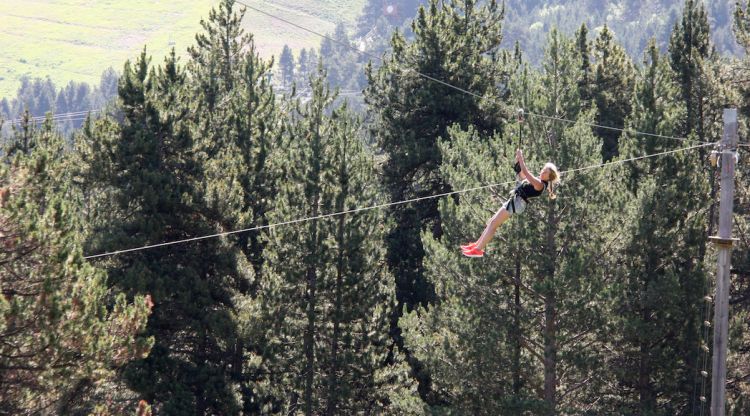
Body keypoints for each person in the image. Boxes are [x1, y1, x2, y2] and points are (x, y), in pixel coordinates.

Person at [461, 149, 560, 258]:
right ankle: (476, 245)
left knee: (493, 225)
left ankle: (478, 250)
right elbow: (523, 176)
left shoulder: (540, 185)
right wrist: (518, 163)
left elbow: (527, 174)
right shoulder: (538, 181)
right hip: (514, 200)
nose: (542, 172)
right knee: (492, 222)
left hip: (517, 203)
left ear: (548, 177)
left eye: (545, 172)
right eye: (543, 169)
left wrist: (521, 158)